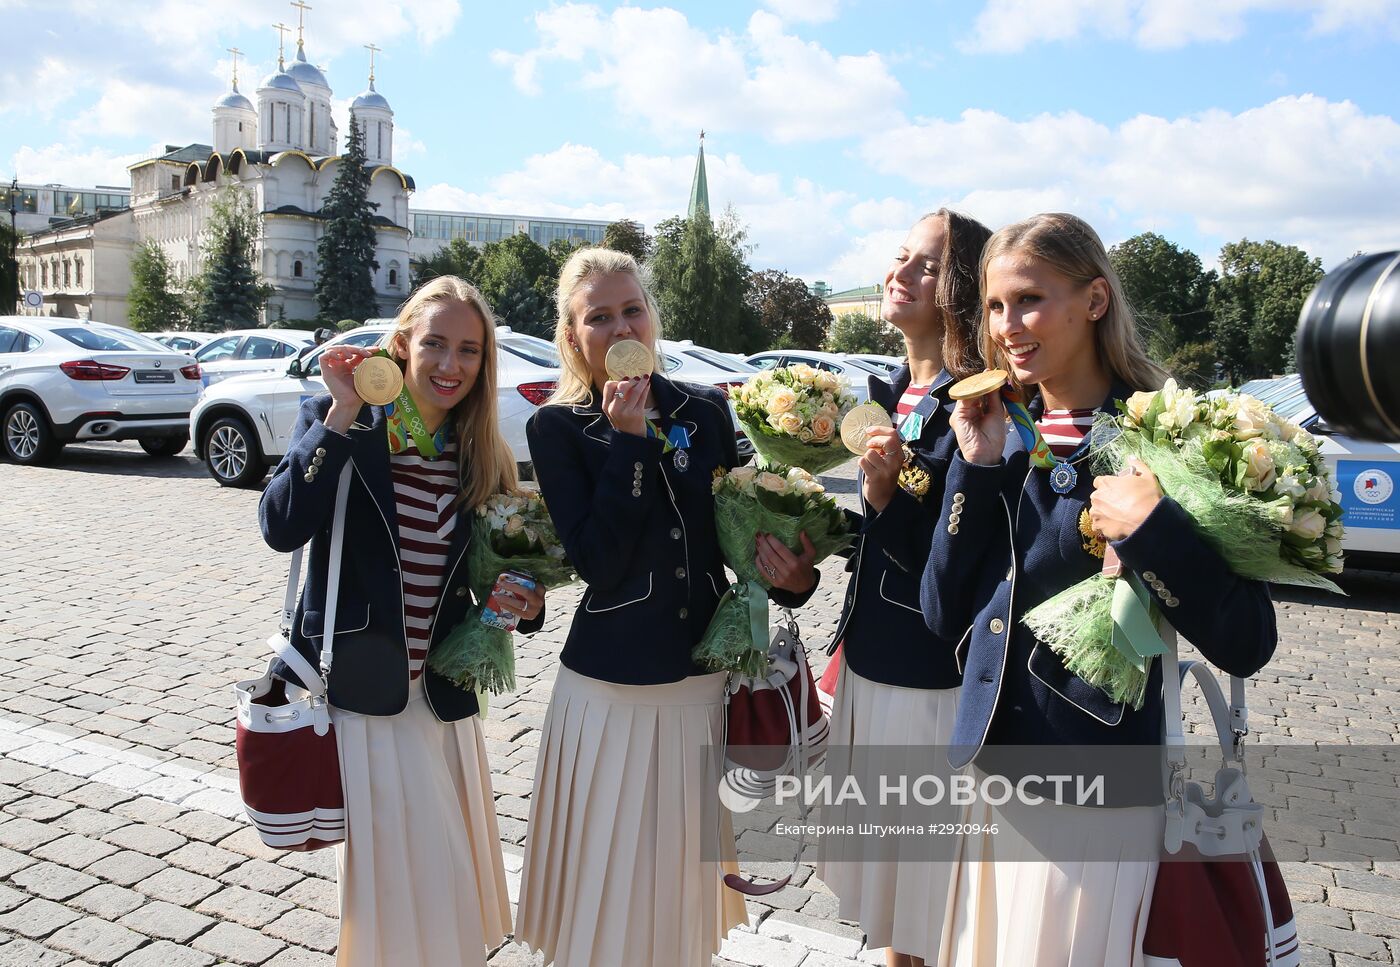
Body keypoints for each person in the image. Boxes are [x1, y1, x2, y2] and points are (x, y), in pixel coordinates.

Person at [919, 213, 1278, 966]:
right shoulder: (999, 430)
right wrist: (975, 468)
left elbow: (1249, 638)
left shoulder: (1166, 436)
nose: (1007, 325)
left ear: (1094, 300)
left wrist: (1154, 532)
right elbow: (943, 613)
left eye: (1030, 299)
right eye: (993, 305)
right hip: (994, 778)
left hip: (1100, 792)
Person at [515, 247, 820, 967]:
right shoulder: (557, 429)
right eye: (599, 316)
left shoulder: (706, 409)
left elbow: (740, 540)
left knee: (678, 885)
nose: (620, 325)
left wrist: (794, 576)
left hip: (701, 683)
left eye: (632, 309)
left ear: (652, 320)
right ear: (572, 337)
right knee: (608, 883)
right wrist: (626, 445)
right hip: (612, 690)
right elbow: (599, 562)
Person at [259, 277, 546, 967]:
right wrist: (340, 411)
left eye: (469, 351)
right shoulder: (347, 424)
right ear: (402, 346)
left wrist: (523, 603)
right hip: (361, 694)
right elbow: (280, 523)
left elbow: (501, 583)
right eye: (436, 344)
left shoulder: (481, 453)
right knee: (406, 888)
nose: (451, 365)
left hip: (440, 702)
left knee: (436, 885)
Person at [815, 209, 991, 967]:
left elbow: (968, 561)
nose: (901, 272)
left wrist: (887, 502)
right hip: (869, 661)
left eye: (925, 264)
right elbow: (876, 542)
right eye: (899, 257)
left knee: (929, 900)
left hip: (930, 678)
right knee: (892, 902)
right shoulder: (888, 391)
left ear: (961, 287)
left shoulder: (978, 403)